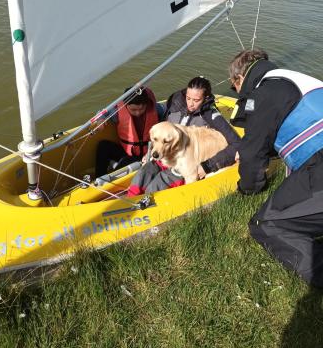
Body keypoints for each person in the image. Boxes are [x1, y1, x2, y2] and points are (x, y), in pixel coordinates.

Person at [229, 48, 323, 287]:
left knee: (267, 224)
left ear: (239, 79)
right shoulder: (293, 79)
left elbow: (252, 152)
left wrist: (247, 189)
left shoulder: (264, 93)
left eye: (234, 88)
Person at [128, 76, 241, 195]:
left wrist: (207, 166)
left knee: (159, 182)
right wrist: (149, 152)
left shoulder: (212, 116)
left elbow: (237, 144)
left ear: (206, 98)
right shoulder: (175, 101)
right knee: (143, 173)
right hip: (165, 154)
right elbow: (160, 131)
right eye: (188, 98)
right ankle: (131, 198)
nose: (190, 104)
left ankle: (149, 205)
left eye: (196, 100)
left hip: (185, 162)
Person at [95, 87, 164, 177]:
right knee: (103, 145)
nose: (138, 113)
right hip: (127, 151)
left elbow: (168, 110)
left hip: (149, 155)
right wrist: (100, 120)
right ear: (125, 105)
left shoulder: (156, 108)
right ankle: (99, 177)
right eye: (134, 110)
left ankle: (110, 179)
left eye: (141, 109)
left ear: (146, 104)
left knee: (125, 162)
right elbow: (102, 112)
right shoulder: (117, 110)